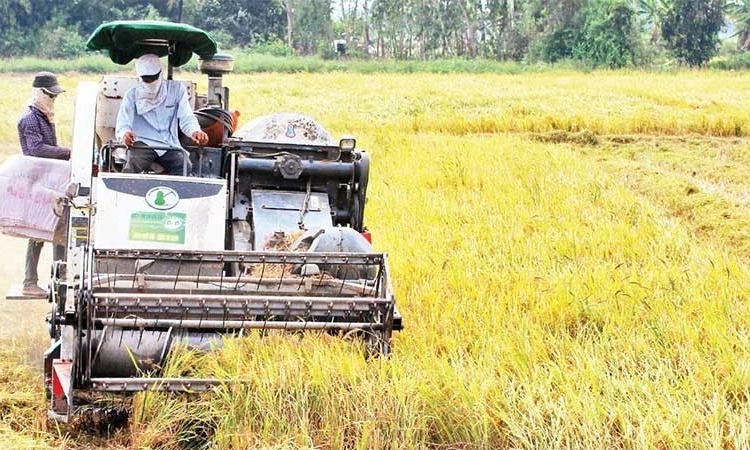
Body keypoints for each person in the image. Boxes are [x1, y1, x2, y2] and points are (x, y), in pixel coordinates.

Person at [17, 71, 70, 297]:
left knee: (58, 229)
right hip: (37, 182)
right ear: (39, 93)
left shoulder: (44, 117)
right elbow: (36, 149)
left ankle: (60, 281)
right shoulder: (29, 119)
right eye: (50, 95)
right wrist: (67, 152)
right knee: (39, 231)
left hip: (48, 179)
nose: (53, 99)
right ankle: (30, 282)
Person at [115, 53, 208, 175]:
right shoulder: (131, 95)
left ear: (160, 74)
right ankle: (125, 192)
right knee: (132, 163)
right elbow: (123, 124)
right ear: (139, 78)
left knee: (184, 165)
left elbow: (186, 118)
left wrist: (195, 131)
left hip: (168, 144)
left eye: (154, 78)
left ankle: (176, 192)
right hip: (143, 143)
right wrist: (125, 135)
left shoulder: (177, 90)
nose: (151, 82)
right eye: (146, 80)